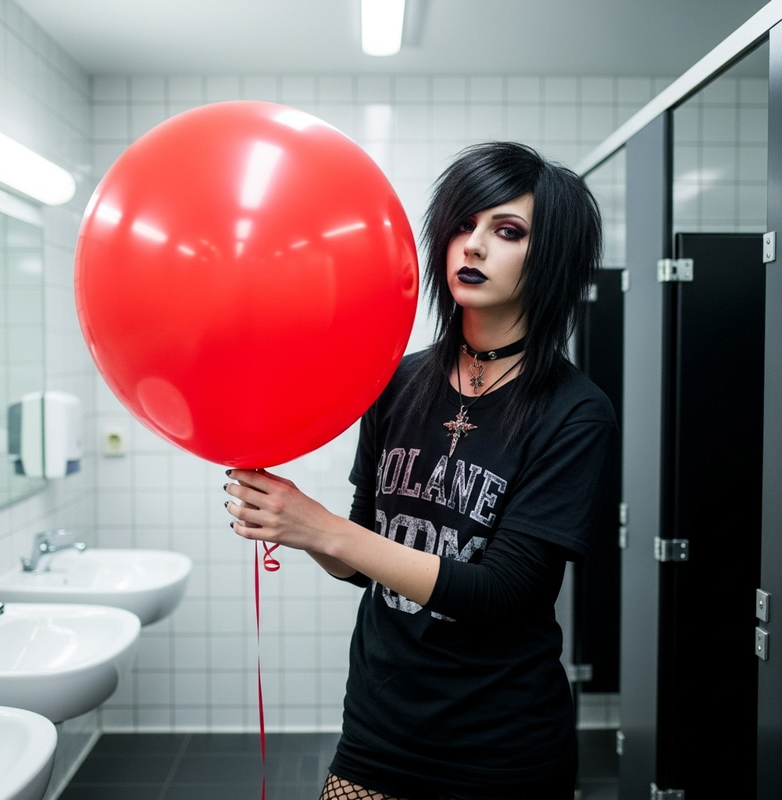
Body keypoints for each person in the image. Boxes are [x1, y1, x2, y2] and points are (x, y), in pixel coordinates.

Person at [224, 141, 619, 800]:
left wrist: (322, 529)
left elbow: (501, 593)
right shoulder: (398, 380)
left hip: (501, 747)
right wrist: (293, 523)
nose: (473, 245)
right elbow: (358, 561)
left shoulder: (576, 413)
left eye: (507, 231)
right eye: (463, 224)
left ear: (548, 256)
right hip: (379, 727)